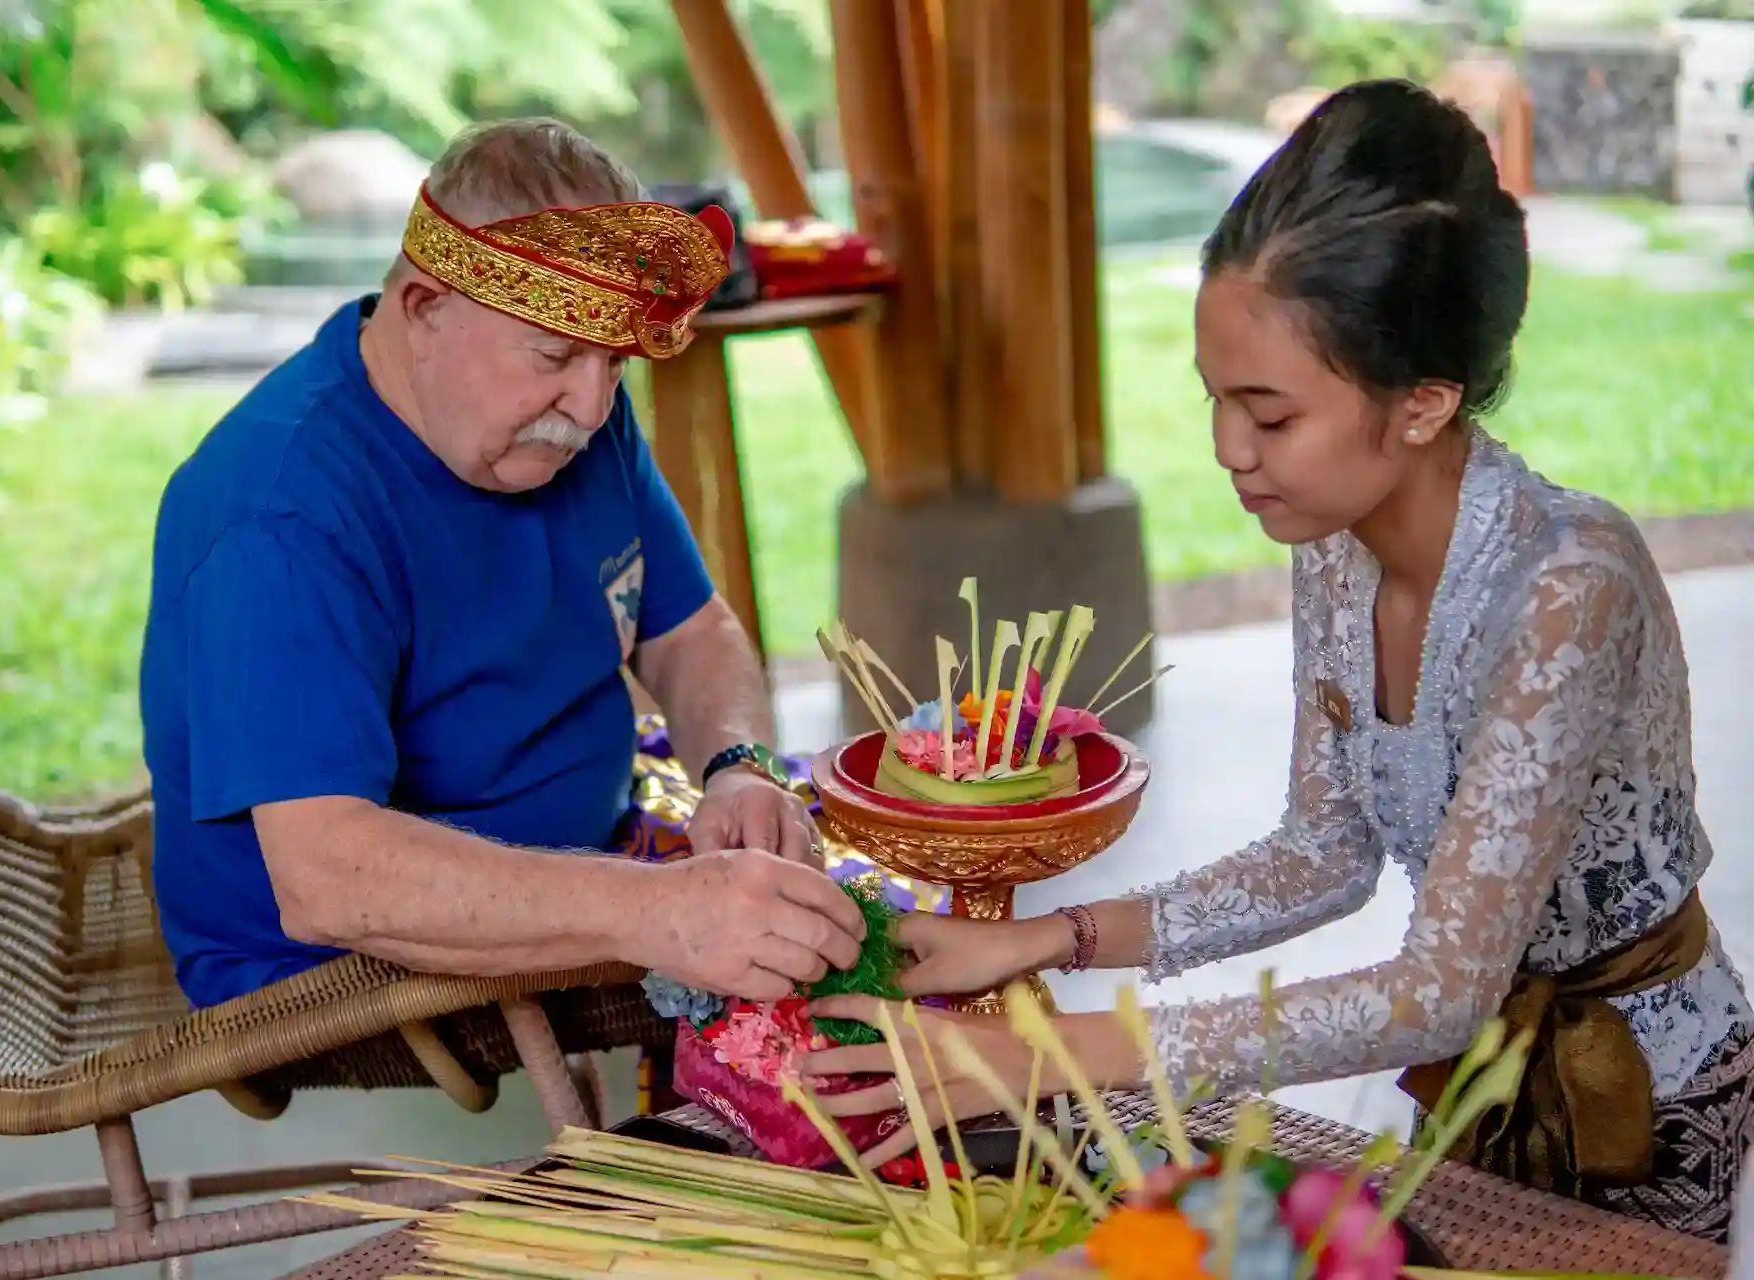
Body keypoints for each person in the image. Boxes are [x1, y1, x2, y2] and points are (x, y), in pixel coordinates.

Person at [806, 80, 1754, 1242]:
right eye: (1214, 399)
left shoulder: (1571, 585)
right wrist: (1049, 936)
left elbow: (1438, 986)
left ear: (1423, 404)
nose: (1226, 450)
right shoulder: (1336, 548)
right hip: (1468, 1080)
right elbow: (1325, 853)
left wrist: (1058, 1051)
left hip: (1642, 1098)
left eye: (1269, 412)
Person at [140, 118, 864, 1023]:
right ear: (424, 310)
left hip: (599, 875)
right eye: (555, 355)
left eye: (613, 363)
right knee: (859, 1005)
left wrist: (740, 767)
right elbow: (329, 879)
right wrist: (658, 910)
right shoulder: (282, 515)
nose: (593, 407)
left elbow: (691, 631)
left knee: (887, 934)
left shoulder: (563, 417)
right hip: (343, 969)